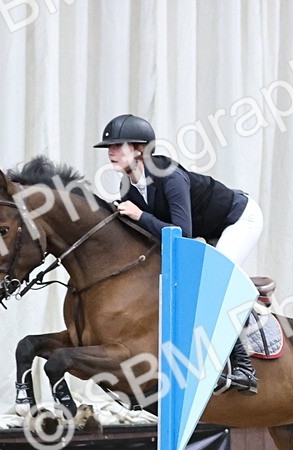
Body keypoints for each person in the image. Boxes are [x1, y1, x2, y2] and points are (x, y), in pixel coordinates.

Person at [94, 113, 263, 394]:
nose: (110, 152)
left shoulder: (169, 177)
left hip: (238, 219)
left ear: (139, 149)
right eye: (109, 148)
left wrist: (138, 215)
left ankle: (244, 368)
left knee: (214, 280)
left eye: (118, 146)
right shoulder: (126, 186)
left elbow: (181, 234)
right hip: (206, 224)